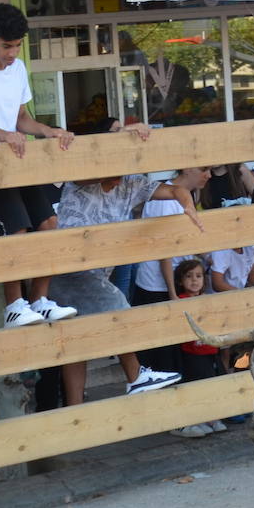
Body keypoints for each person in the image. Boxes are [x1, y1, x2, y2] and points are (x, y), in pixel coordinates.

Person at [46, 124, 201, 406]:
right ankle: (136, 376)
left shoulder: (133, 182)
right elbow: (99, 157)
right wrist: (124, 132)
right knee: (119, 308)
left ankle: (75, 410)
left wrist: (187, 203)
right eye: (115, 169)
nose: (119, 179)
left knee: (76, 344)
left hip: (96, 273)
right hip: (68, 268)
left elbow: (175, 189)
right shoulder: (83, 176)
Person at [0, 3, 78, 328]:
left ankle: (40, 300)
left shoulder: (19, 68)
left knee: (49, 223)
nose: (13, 52)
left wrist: (48, 131)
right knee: (17, 228)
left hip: (19, 163)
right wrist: (2, 134)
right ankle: (14, 306)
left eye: (17, 44)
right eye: (6, 45)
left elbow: (22, 119)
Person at [132, 166, 210, 373]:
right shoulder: (165, 200)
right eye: (204, 169)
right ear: (187, 169)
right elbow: (164, 252)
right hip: (158, 286)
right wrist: (173, 293)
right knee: (160, 356)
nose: (208, 175)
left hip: (172, 281)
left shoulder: (185, 196)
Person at [169, 259, 221, 439]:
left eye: (198, 276)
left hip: (210, 349)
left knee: (211, 383)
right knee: (195, 384)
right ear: (180, 281)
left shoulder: (206, 299)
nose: (194, 280)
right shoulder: (181, 300)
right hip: (191, 351)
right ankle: (197, 417)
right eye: (189, 276)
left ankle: (210, 417)